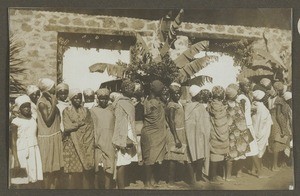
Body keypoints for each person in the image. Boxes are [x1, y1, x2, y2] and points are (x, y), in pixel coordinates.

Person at [62, 89, 95, 189]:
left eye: (79, 98)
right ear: (71, 99)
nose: (78, 100)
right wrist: (79, 124)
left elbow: (90, 126)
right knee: (74, 172)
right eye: (75, 98)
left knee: (85, 171)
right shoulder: (66, 111)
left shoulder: (86, 111)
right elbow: (67, 127)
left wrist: (76, 127)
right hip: (72, 144)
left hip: (85, 142)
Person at [165, 82, 194, 187]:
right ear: (171, 94)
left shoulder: (178, 103)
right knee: (173, 158)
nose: (177, 95)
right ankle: (172, 181)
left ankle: (191, 180)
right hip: (175, 133)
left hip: (180, 131)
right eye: (175, 93)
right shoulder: (172, 105)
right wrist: (176, 138)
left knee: (183, 156)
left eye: (178, 93)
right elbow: (171, 121)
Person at [225, 85, 257, 180]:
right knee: (234, 153)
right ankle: (229, 176)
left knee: (238, 152)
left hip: (236, 132)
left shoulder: (231, 104)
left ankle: (236, 173)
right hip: (235, 132)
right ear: (233, 96)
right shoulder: (231, 105)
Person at [10, 95, 43, 187]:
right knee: (21, 181)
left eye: (28, 106)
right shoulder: (15, 122)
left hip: (34, 151)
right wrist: (16, 159)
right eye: (24, 107)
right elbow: (13, 142)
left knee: (33, 180)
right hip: (21, 153)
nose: (27, 109)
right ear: (19, 109)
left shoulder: (33, 118)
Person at [37, 78, 63, 189]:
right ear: (47, 89)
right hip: (47, 139)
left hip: (55, 136)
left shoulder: (52, 100)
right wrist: (53, 104)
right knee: (47, 170)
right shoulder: (42, 103)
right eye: (53, 87)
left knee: (56, 170)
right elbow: (47, 121)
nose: (55, 89)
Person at [112, 80, 138, 189]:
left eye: (132, 88)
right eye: (128, 88)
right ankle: (121, 187)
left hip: (129, 133)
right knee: (121, 163)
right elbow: (118, 122)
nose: (131, 90)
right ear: (123, 89)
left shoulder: (128, 102)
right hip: (123, 135)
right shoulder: (120, 103)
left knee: (126, 162)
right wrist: (124, 138)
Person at [141, 80, 167, 188]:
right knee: (149, 158)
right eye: (161, 89)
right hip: (150, 133)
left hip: (156, 134)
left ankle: (152, 180)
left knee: (154, 158)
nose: (162, 90)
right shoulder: (152, 103)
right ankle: (147, 182)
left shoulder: (153, 101)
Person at [90, 88, 115, 189]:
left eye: (105, 98)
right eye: (101, 99)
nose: (103, 101)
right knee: (97, 168)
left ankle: (107, 188)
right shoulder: (93, 111)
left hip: (109, 141)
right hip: (97, 142)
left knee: (109, 167)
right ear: (98, 99)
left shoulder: (112, 110)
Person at [185, 86, 211, 182]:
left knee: (200, 154)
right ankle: (194, 177)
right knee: (192, 154)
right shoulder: (190, 107)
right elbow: (188, 122)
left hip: (200, 134)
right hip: (192, 134)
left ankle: (199, 175)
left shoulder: (199, 106)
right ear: (195, 95)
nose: (201, 95)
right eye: (199, 93)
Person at [207, 86, 229, 183]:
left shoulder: (211, 105)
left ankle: (214, 176)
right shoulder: (219, 106)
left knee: (215, 153)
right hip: (220, 131)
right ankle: (213, 177)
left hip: (214, 131)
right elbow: (220, 118)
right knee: (216, 154)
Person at [268, 82, 292, 171]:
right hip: (277, 121)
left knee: (274, 142)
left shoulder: (270, 98)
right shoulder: (279, 99)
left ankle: (275, 164)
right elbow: (278, 115)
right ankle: (275, 166)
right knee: (277, 144)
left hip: (271, 119)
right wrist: (282, 128)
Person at [252, 90, 273, 176]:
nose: (266, 98)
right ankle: (259, 171)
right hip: (261, 131)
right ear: (261, 98)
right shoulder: (261, 108)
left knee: (257, 150)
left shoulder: (255, 105)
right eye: (265, 97)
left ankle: (254, 169)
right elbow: (262, 121)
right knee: (259, 151)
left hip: (256, 130)